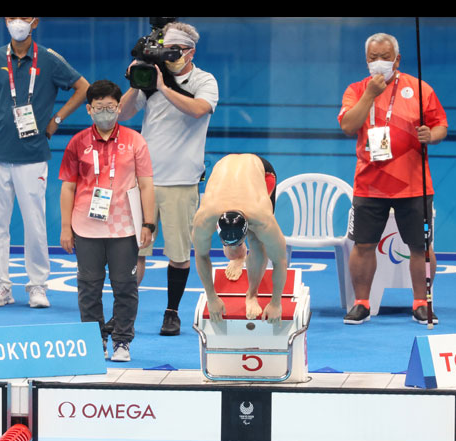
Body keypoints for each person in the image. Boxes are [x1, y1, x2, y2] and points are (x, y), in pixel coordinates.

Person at [0, 17, 89, 308]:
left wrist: (57, 120)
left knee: (34, 222)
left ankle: (37, 286)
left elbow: (83, 88)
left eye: (22, 17)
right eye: (11, 17)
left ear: (34, 22)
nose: (16, 22)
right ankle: (2, 286)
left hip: (32, 156)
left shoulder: (49, 59)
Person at [338, 32, 448, 326]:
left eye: (385, 57)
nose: (379, 63)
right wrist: (369, 96)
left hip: (414, 184)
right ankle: (361, 303)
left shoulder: (419, 89)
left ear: (396, 59)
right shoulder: (356, 90)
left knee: (421, 247)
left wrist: (431, 136)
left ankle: (421, 303)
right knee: (363, 245)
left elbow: (440, 127)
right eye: (373, 58)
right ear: (366, 61)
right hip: (369, 183)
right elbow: (349, 126)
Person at [118, 21, 219, 336]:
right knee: (134, 253)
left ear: (190, 52)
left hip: (180, 182)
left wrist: (164, 87)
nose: (170, 56)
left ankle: (171, 312)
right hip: (143, 181)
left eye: (175, 51)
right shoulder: (150, 78)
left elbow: (199, 110)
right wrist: (137, 82)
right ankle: (124, 315)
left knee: (178, 255)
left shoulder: (204, 80)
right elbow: (121, 114)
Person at [58, 79, 155, 362]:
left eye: (110, 107)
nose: (105, 112)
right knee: (89, 287)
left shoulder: (135, 141)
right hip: (86, 227)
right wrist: (66, 227)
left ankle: (122, 342)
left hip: (124, 226)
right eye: (99, 107)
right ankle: (93, 339)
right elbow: (67, 187)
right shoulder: (77, 143)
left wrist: (148, 223)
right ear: (88, 109)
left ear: (118, 107)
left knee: (125, 286)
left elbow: (146, 184)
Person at [192, 153, 287, 323]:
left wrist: (275, 302)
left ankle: (252, 294)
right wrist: (211, 297)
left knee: (258, 242)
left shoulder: (262, 219)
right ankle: (239, 254)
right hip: (224, 169)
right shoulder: (205, 217)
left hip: (262, 173)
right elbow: (201, 255)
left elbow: (280, 260)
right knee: (233, 253)